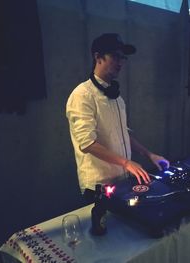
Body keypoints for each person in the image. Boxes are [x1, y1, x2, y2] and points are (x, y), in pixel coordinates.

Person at [66, 33, 169, 198]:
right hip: (98, 185)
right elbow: (87, 144)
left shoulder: (117, 98)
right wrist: (126, 163)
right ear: (98, 57)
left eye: (122, 58)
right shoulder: (82, 95)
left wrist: (149, 154)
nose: (120, 62)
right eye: (115, 56)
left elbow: (123, 135)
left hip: (122, 180)